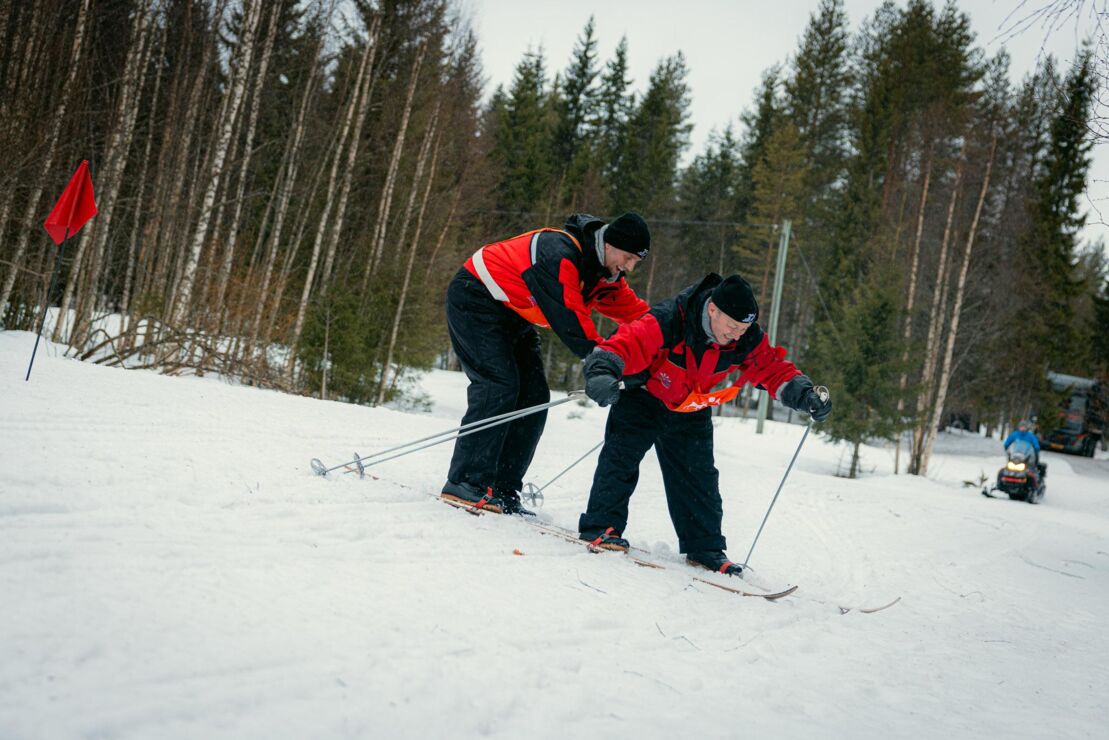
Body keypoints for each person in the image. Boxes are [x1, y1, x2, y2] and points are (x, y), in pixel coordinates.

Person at [577, 273, 832, 576]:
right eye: (732, 326)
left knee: (699, 475)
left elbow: (772, 369)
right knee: (621, 457)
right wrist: (602, 371)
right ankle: (601, 527)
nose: (737, 335)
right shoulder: (672, 318)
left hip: (690, 405)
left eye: (744, 328)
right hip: (645, 396)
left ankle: (705, 548)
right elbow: (626, 343)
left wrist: (805, 394)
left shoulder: (745, 338)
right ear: (713, 310)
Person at [441, 212, 652, 515]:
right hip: (475, 297)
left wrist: (667, 338)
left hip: (513, 315)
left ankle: (502, 488)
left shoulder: (604, 274)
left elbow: (641, 318)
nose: (629, 267)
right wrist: (598, 361)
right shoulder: (559, 253)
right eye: (628, 257)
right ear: (609, 244)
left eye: (636, 262)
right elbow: (569, 316)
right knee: (499, 385)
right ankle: (466, 482)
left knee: (534, 397)